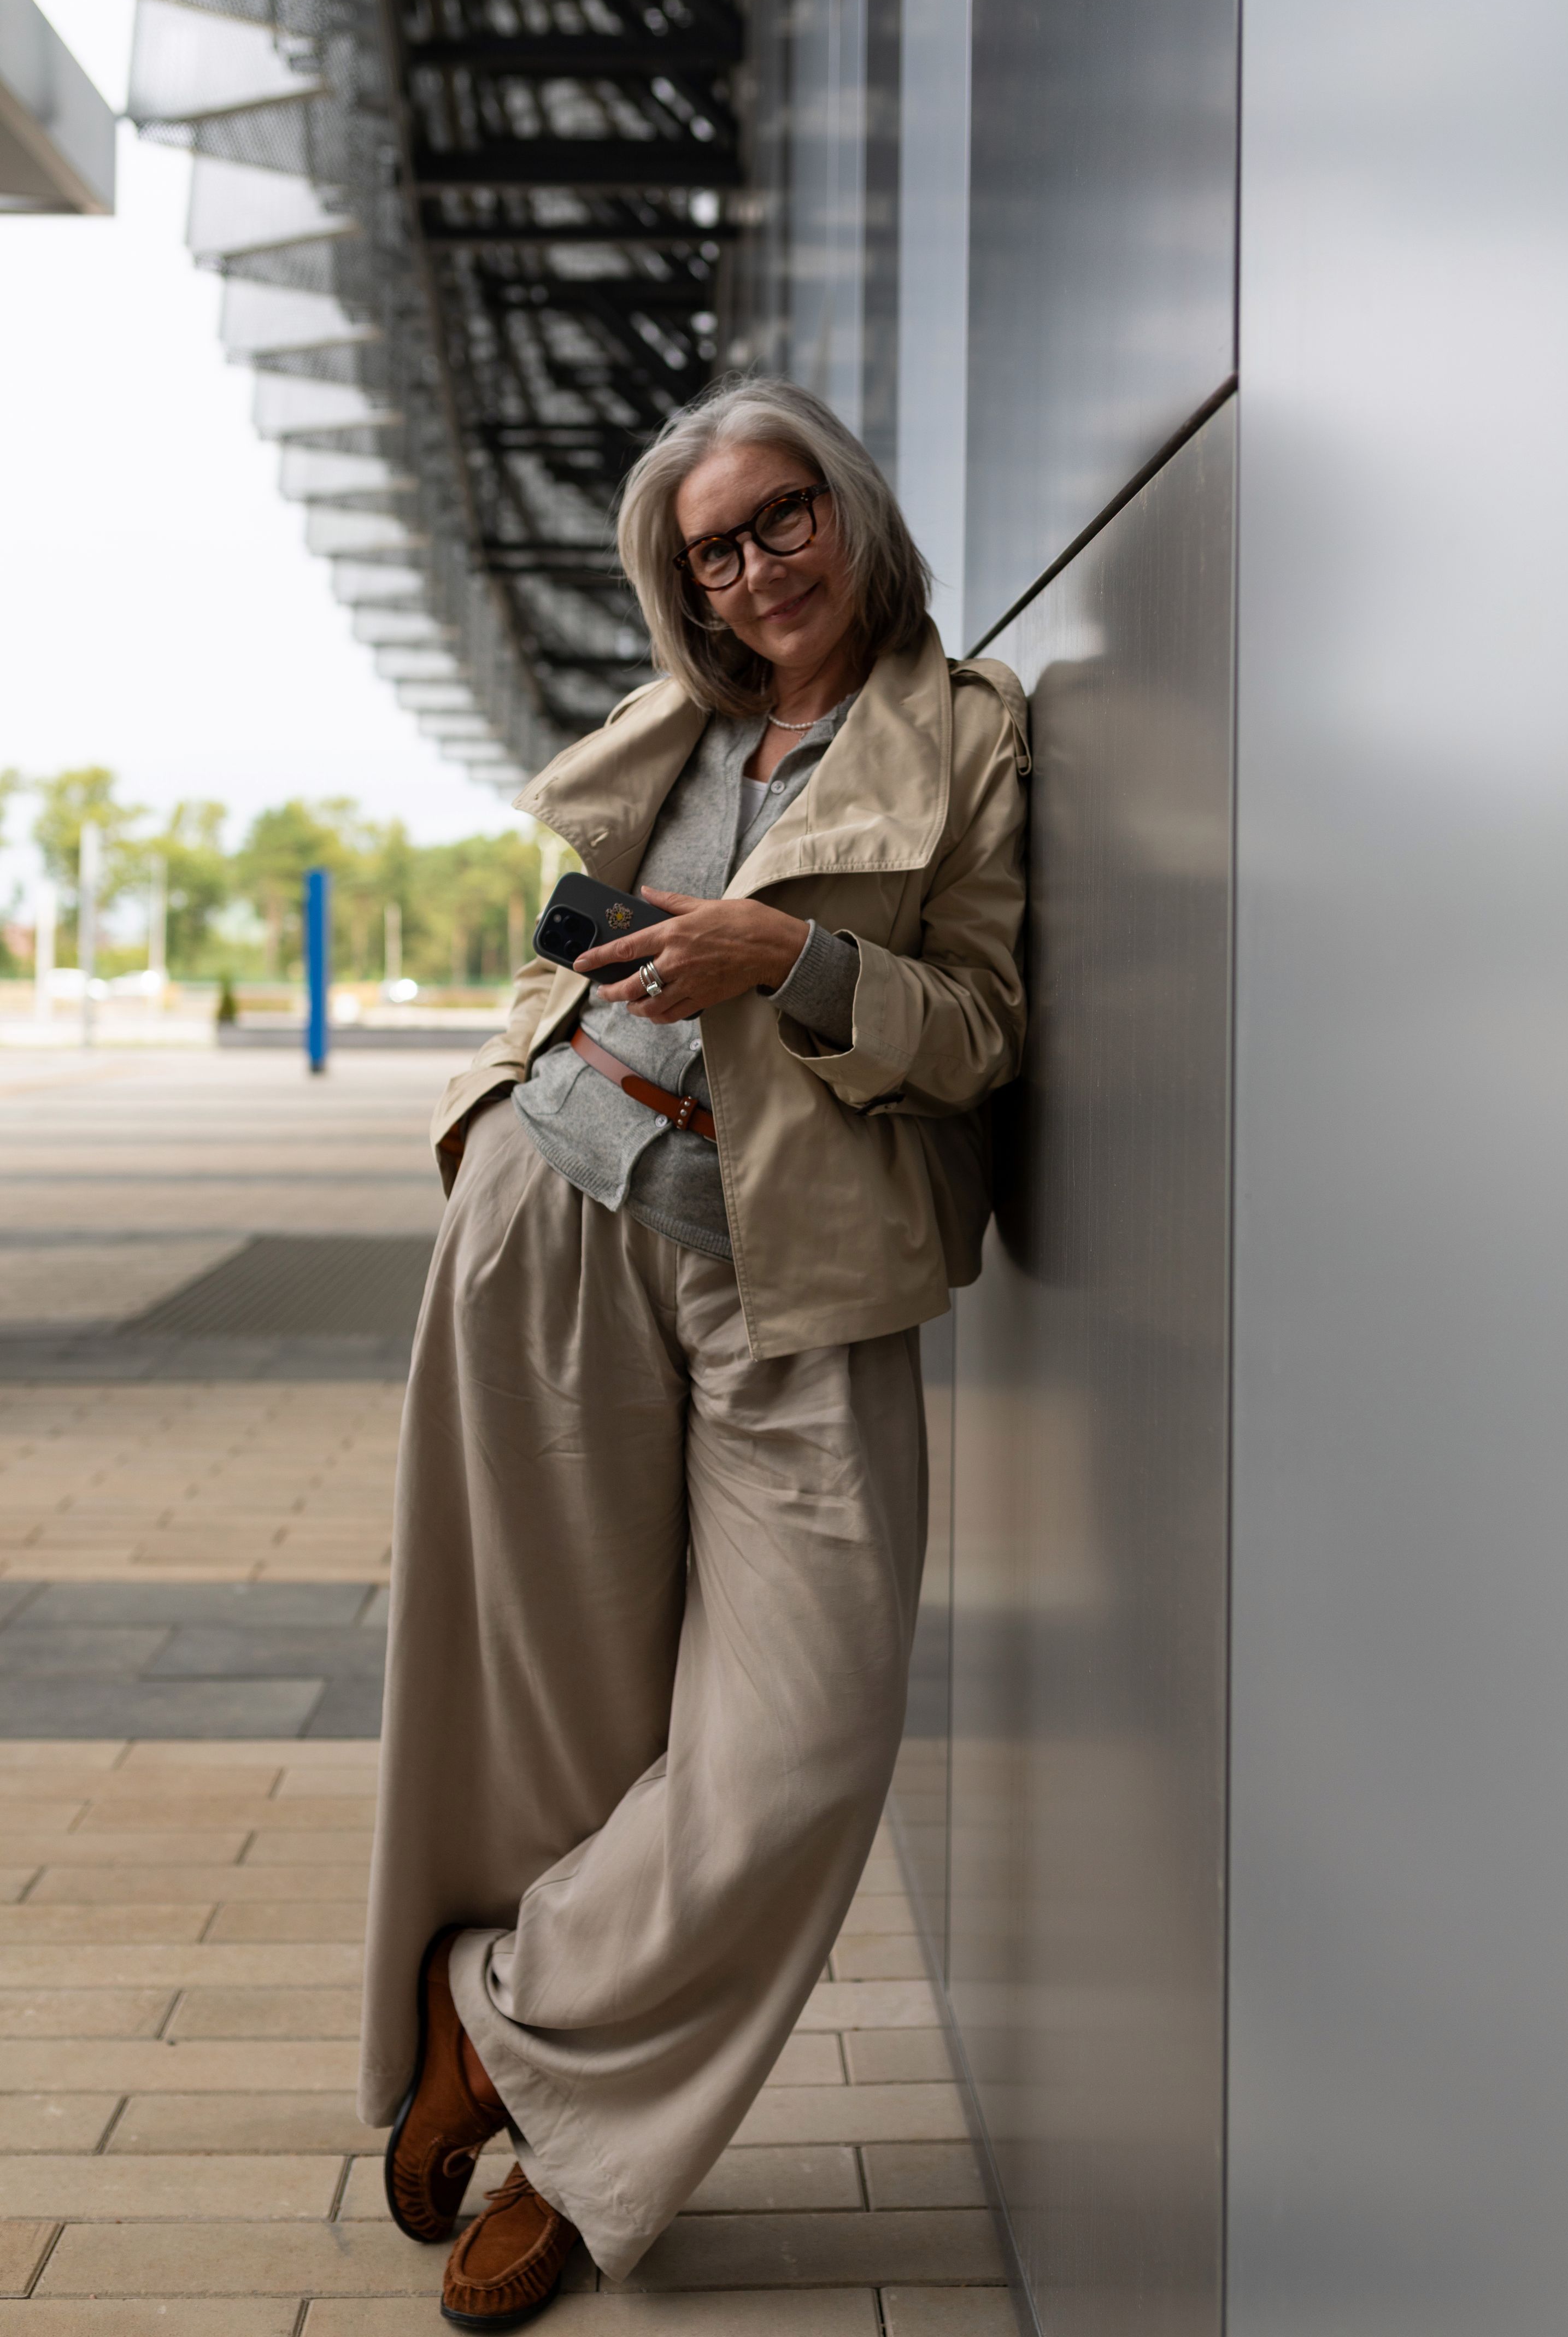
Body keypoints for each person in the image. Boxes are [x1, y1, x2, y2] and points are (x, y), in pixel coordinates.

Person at [359, 375, 1029, 2330]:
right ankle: (573, 2169)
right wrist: (488, 1113)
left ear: (851, 507)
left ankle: (504, 2020)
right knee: (567, 1711)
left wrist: (791, 962)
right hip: (551, 1222)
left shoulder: (967, 737)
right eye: (712, 554)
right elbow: (559, 954)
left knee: (804, 1739)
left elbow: (984, 1027)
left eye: (779, 518)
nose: (754, 570)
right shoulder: (677, 727)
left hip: (797, 1276)